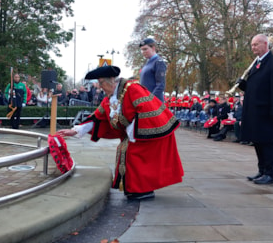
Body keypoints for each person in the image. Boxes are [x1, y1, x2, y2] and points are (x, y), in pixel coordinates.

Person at [57, 65, 184, 200]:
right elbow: (98, 118)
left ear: (111, 80)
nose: (100, 88)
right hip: (134, 134)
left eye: (101, 83)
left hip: (150, 133)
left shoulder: (133, 88)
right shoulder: (110, 97)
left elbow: (147, 110)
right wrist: (75, 130)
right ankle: (133, 188)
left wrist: (132, 134)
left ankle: (143, 189)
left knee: (132, 153)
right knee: (126, 150)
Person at [237, 34, 273, 185]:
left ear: (265, 44)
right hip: (255, 112)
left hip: (267, 112)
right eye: (252, 45)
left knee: (267, 143)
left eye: (256, 44)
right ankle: (262, 170)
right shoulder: (256, 63)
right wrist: (243, 85)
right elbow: (256, 87)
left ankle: (271, 173)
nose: (253, 48)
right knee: (257, 142)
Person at [139, 38, 167, 102]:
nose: (143, 52)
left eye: (145, 49)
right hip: (146, 100)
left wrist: (150, 99)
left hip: (154, 102)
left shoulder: (158, 62)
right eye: (142, 50)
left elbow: (160, 85)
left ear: (153, 48)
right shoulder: (146, 64)